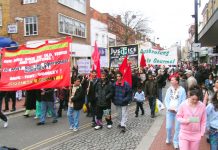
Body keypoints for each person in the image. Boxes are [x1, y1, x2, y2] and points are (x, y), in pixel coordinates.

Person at [164, 76, 186, 149]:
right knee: (168, 127)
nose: (171, 81)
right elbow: (166, 100)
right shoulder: (169, 89)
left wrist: (177, 109)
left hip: (178, 112)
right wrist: (168, 108)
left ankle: (176, 141)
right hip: (169, 111)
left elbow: (183, 101)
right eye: (171, 80)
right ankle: (168, 137)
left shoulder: (182, 90)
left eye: (173, 80)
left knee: (177, 128)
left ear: (177, 81)